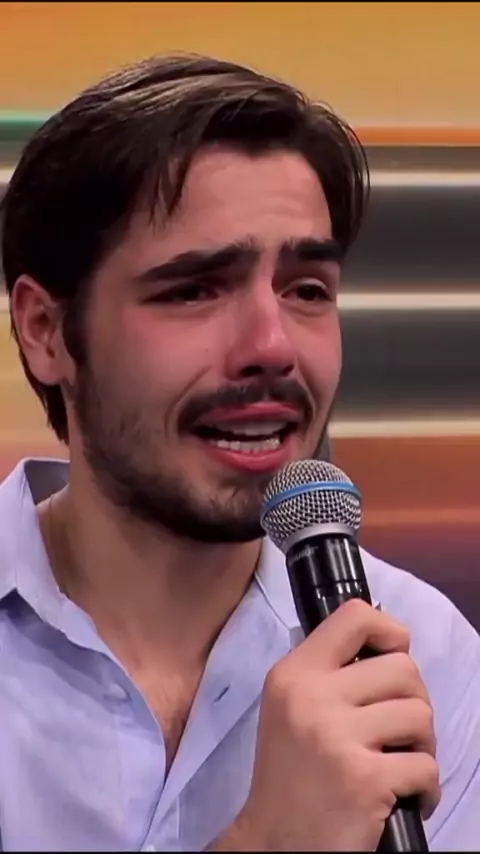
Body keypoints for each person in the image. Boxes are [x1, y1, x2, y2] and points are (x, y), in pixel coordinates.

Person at [0, 53, 478, 853]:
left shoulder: (426, 656)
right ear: (46, 331)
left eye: (307, 290)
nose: (273, 347)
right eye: (194, 290)